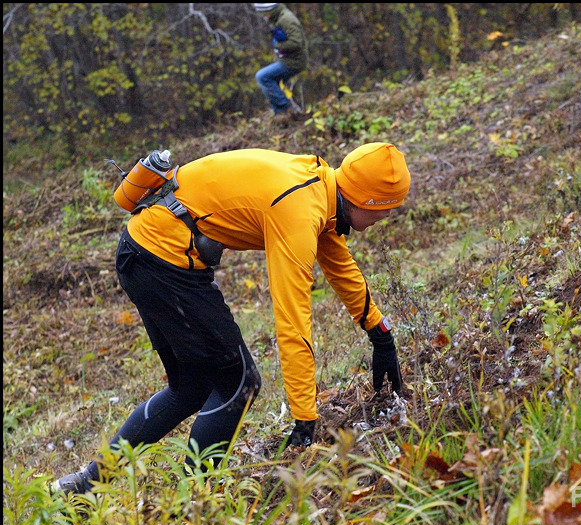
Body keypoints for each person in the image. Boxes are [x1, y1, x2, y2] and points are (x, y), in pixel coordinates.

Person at [51, 142, 410, 495]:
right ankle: (193, 504)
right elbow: (292, 316)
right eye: (386, 209)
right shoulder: (299, 211)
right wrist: (305, 416)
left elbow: (340, 265)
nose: (387, 217)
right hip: (162, 261)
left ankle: (84, 486)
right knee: (238, 382)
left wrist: (381, 334)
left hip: (145, 252)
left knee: (191, 387)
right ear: (366, 200)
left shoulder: (318, 187)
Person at [253, 3, 308, 121]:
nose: (264, 17)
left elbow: (296, 42)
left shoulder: (286, 19)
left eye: (265, 14)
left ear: (271, 11)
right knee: (273, 83)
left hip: (294, 62)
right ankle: (285, 112)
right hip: (287, 59)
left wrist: (278, 45)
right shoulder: (278, 18)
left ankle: (284, 110)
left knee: (262, 77)